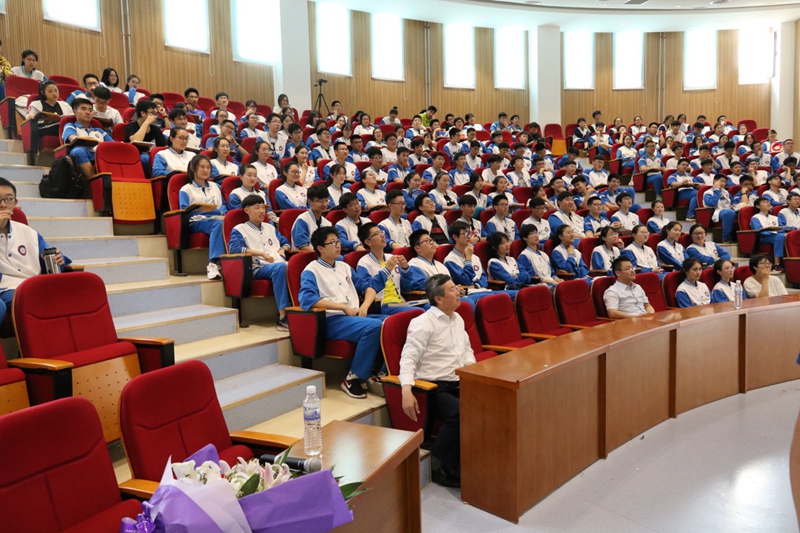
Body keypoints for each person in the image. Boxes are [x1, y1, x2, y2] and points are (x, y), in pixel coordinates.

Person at [399, 273, 473, 488]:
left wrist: (471, 369)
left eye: (456, 288)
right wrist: (406, 390)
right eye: (452, 289)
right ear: (438, 298)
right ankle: (439, 464)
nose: (458, 292)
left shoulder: (457, 318)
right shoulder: (423, 323)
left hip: (460, 381)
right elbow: (408, 357)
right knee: (460, 412)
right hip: (434, 388)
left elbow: (467, 349)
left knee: (490, 401)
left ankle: (474, 457)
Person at [300, 227, 386, 398]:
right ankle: (352, 378)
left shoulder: (345, 267)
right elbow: (307, 300)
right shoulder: (311, 270)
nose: (338, 245)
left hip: (354, 316)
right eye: (332, 243)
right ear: (320, 248)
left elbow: (368, 288)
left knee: (393, 322)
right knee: (374, 326)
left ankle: (381, 372)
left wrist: (365, 305)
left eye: (338, 241)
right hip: (332, 319)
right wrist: (343, 307)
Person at [0, 177, 71, 323]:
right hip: (5, 288)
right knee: (32, 301)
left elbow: (48, 255)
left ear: (15, 203)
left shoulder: (28, 232)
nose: (3, 205)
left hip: (34, 284)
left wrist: (59, 259)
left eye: (8, 199)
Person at [227, 195, 290, 331]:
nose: (262, 211)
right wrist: (261, 253)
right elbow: (234, 248)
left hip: (278, 263)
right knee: (280, 268)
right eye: (257, 208)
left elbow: (285, 242)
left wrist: (283, 249)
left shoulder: (270, 227)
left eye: (263, 207)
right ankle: (283, 318)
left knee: (298, 266)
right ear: (246, 210)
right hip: (257, 268)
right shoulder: (240, 229)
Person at [355, 223, 425, 315]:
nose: (382, 235)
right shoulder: (364, 263)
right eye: (376, 234)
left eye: (381, 232)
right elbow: (367, 289)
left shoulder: (391, 257)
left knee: (429, 307)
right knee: (419, 312)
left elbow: (406, 287)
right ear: (368, 242)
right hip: (384, 304)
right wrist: (387, 270)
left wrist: (405, 269)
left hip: (400, 302)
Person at [179, 155, 226, 280]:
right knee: (218, 224)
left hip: (217, 218)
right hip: (196, 222)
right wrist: (209, 211)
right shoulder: (186, 189)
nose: (206, 170)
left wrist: (221, 212)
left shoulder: (216, 186)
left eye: (208, 167)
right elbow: (185, 212)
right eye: (202, 167)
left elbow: (223, 206)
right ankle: (213, 264)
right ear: (193, 168)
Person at [62, 98, 114, 181]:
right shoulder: (71, 126)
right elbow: (73, 138)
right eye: (83, 109)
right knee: (78, 151)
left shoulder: (99, 131)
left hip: (101, 156)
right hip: (85, 154)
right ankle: (94, 182)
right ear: (74, 112)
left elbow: (113, 145)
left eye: (90, 110)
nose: (88, 112)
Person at [125, 99, 168, 173]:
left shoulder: (155, 129)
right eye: (152, 113)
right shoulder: (131, 126)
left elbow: (163, 147)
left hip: (153, 155)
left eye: (156, 114)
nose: (155, 117)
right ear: (143, 113)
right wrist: (146, 123)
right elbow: (136, 141)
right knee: (145, 158)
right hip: (135, 155)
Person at [402, 229, 451, 294]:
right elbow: (423, 285)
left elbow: (450, 282)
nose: (432, 243)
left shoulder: (440, 265)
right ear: (417, 248)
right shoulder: (414, 264)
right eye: (426, 241)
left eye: (431, 240)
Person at [291, 184, 331, 251]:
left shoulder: (327, 223)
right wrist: (321, 255)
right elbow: (302, 246)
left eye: (326, 200)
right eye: (320, 201)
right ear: (310, 201)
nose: (324, 204)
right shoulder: (302, 220)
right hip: (308, 255)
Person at [750, 197, 786, 271]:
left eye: (768, 202)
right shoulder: (756, 217)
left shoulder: (774, 217)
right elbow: (758, 231)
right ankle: (777, 263)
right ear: (758, 206)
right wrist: (771, 232)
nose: (767, 203)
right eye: (764, 202)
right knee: (780, 237)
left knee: (786, 236)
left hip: (775, 235)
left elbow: (781, 228)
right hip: (764, 238)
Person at [701, 175, 737, 243]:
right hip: (716, 211)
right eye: (721, 181)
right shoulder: (708, 192)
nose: (723, 183)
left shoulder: (725, 192)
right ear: (715, 181)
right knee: (729, 213)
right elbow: (712, 203)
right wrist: (716, 190)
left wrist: (734, 205)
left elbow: (732, 201)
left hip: (728, 210)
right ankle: (726, 238)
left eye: (725, 182)